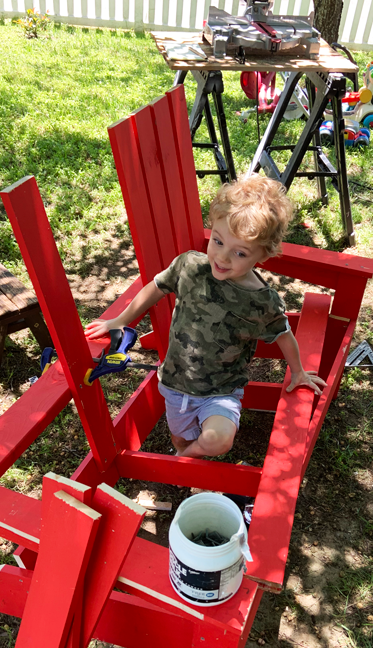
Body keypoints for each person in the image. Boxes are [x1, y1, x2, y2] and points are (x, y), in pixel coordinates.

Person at [85, 174, 326, 459]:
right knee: (180, 437)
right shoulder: (190, 267)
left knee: (218, 439)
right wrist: (121, 320)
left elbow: (283, 333)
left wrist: (298, 371)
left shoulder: (261, 301)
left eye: (239, 252)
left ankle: (184, 462)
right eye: (219, 242)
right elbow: (157, 286)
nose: (223, 258)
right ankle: (187, 461)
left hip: (221, 390)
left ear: (263, 254)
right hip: (176, 382)